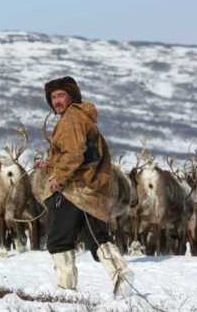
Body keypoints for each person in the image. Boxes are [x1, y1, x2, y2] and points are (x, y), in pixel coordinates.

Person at [36, 76, 134, 299]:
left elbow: (74, 154)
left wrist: (58, 176)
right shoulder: (82, 116)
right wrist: (50, 163)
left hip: (74, 190)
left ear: (72, 96)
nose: (57, 101)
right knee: (97, 237)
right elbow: (84, 152)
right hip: (93, 190)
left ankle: (66, 289)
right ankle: (122, 275)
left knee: (59, 239)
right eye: (53, 97)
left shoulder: (71, 119)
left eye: (61, 95)